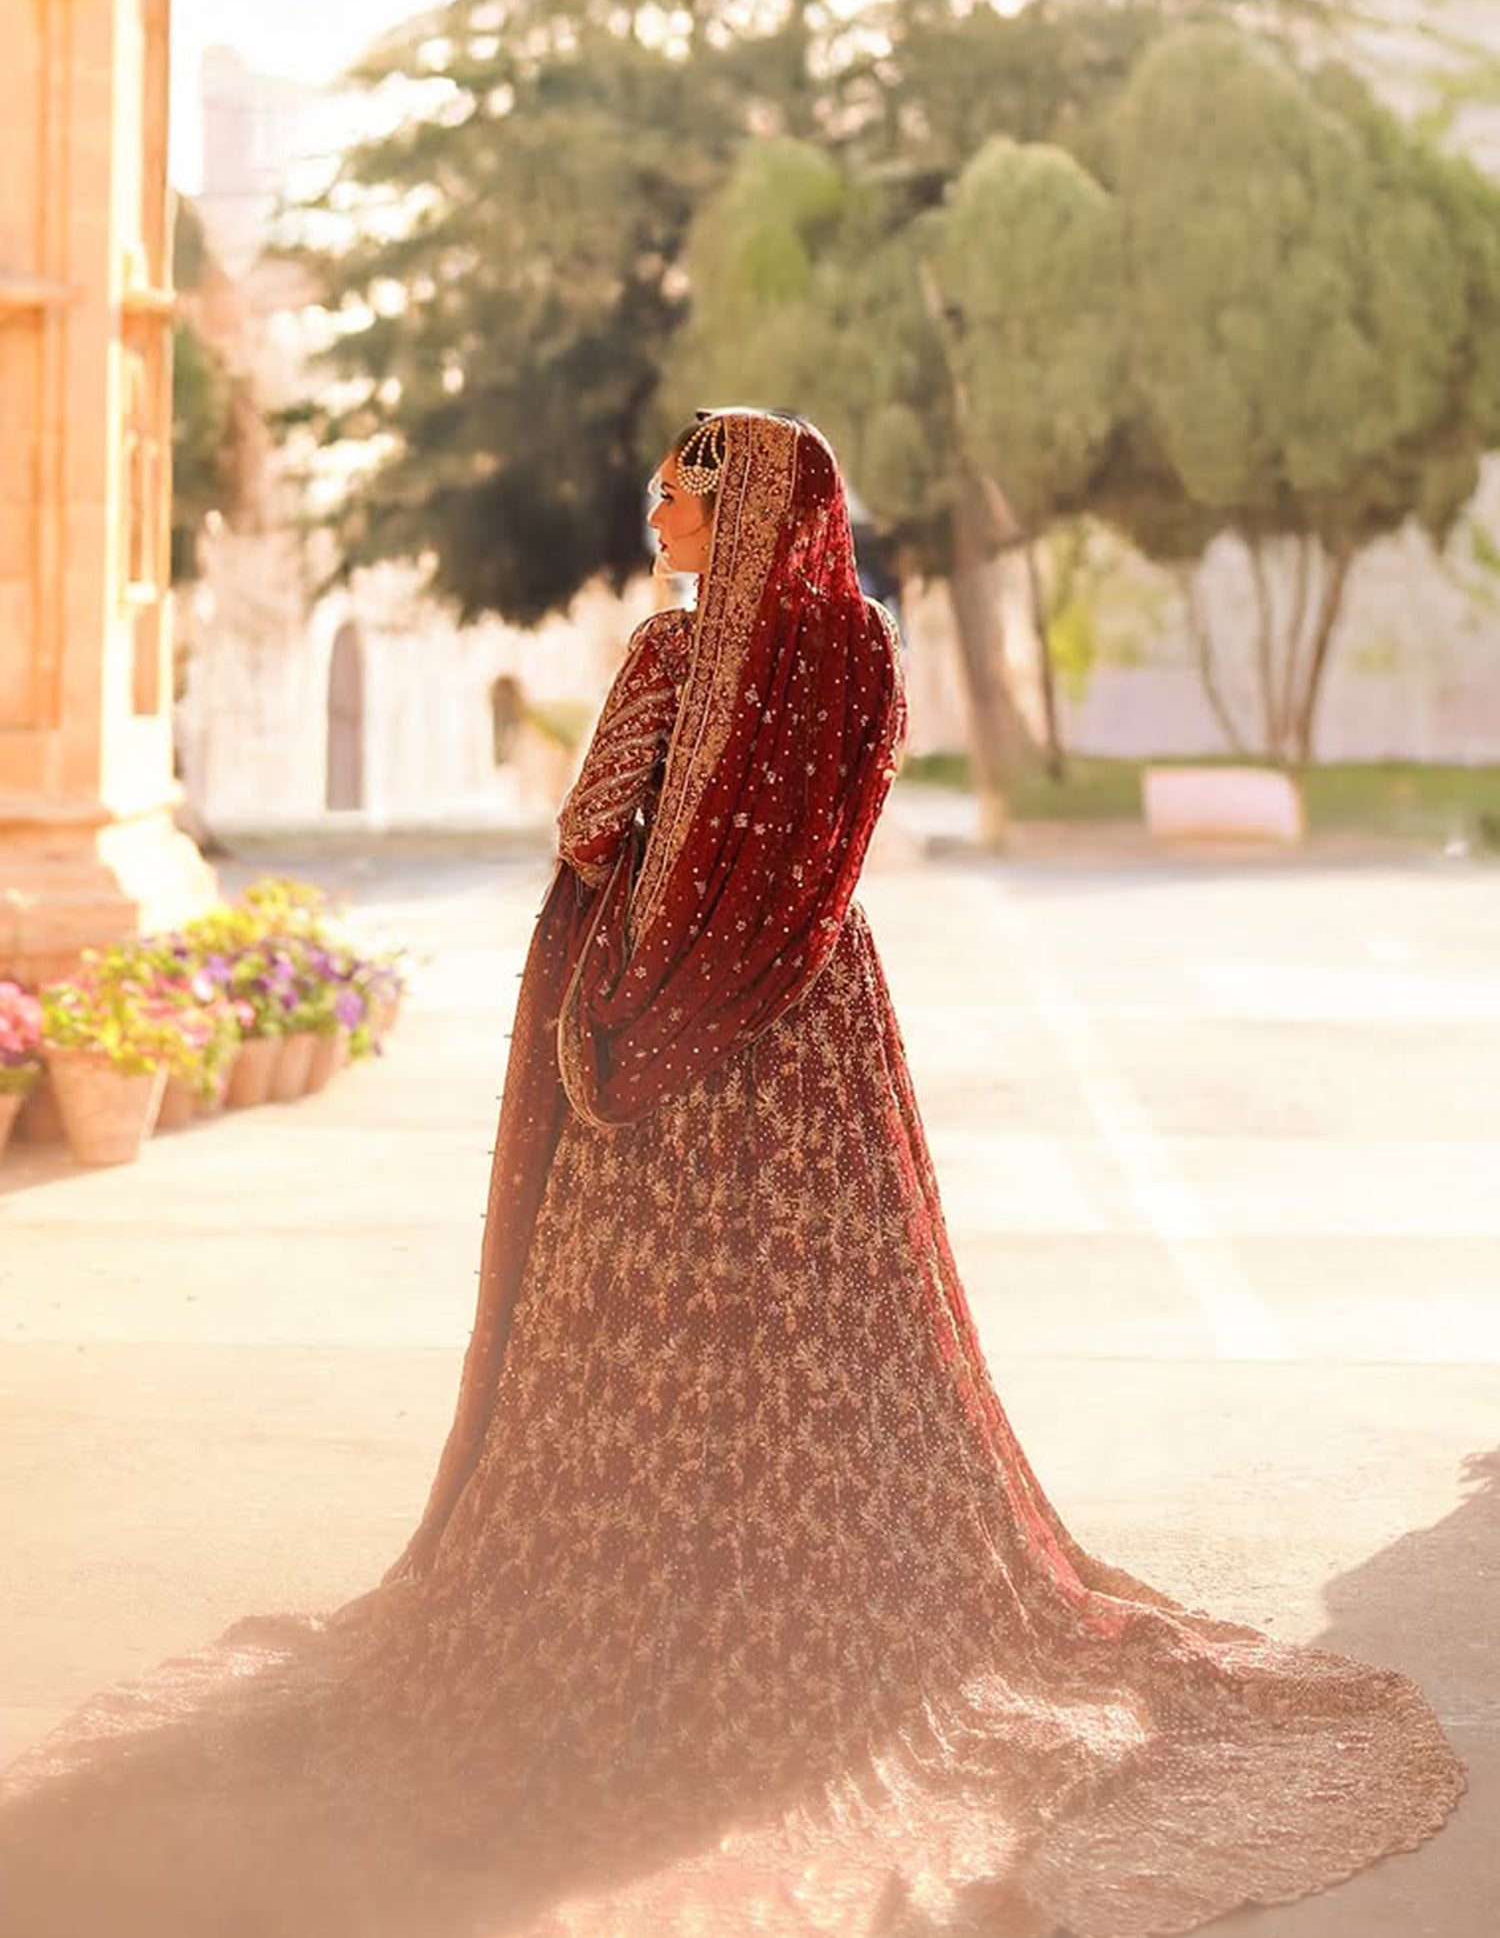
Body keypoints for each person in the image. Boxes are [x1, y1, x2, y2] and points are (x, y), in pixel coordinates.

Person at [0, 410, 1465, 1938]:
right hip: (815, 1023)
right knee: (833, 1301)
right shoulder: (865, 651)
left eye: (684, 489)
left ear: (744, 508)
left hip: (660, 1031)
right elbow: (843, 836)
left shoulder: (668, 661)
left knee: (645, 1299)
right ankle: (849, 1602)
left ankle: (610, 1592)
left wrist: (643, 943)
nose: (658, 509)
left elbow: (588, 831)